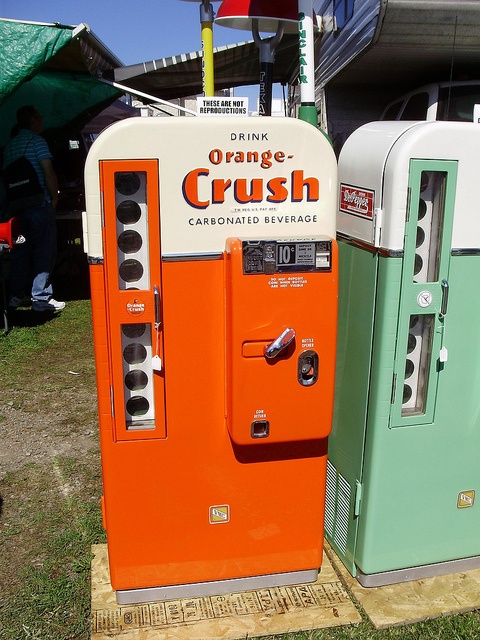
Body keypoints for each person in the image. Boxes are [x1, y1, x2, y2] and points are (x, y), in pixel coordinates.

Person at [3, 105, 65, 312]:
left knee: (20, 250)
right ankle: (41, 298)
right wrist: (54, 198)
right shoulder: (37, 141)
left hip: (17, 208)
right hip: (39, 205)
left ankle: (17, 295)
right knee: (43, 250)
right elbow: (48, 172)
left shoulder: (10, 145)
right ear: (34, 120)